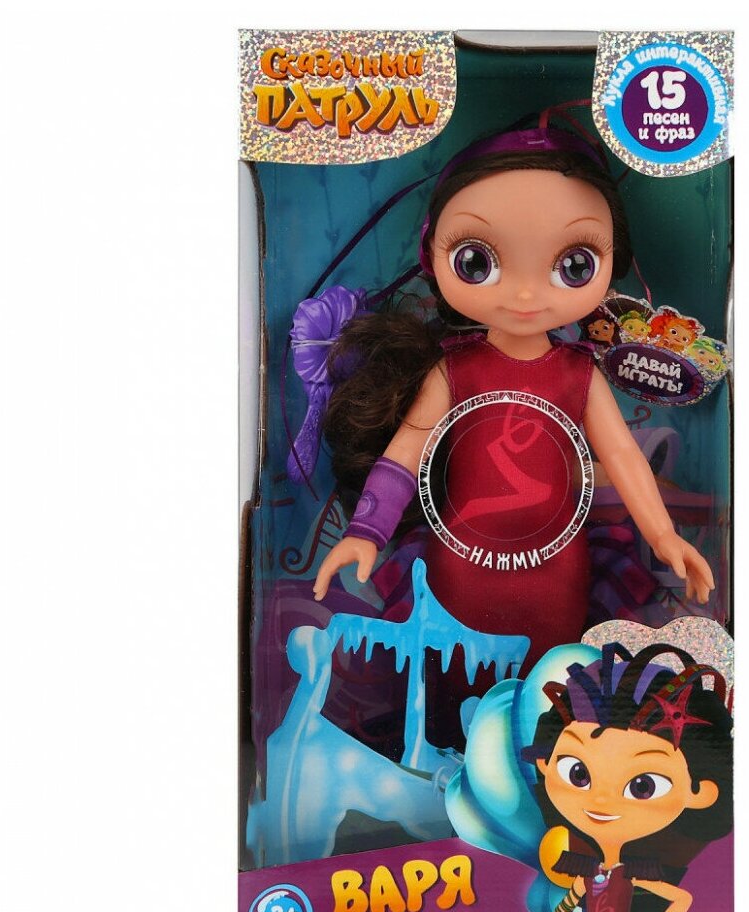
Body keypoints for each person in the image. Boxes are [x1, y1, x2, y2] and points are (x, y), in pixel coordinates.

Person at [306, 123, 714, 675]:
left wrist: (663, 535)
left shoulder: (577, 373)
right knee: (455, 672)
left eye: (573, 265)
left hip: (555, 567)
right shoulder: (455, 369)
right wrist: (366, 531)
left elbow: (622, 456)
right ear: (432, 252)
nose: (524, 293)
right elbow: (405, 454)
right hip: (460, 566)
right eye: (477, 262)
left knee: (548, 679)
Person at [525, 642, 733, 912]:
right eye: (577, 773)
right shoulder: (588, 872)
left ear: (700, 791)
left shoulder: (636, 872)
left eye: (643, 786)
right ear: (545, 763)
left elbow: (682, 901)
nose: (601, 799)